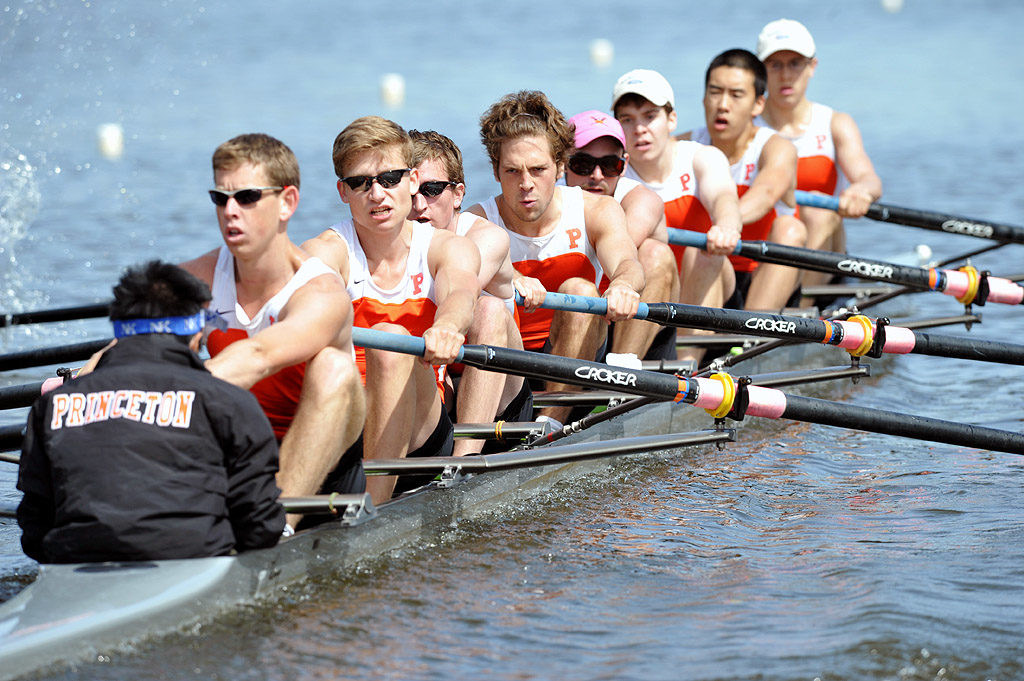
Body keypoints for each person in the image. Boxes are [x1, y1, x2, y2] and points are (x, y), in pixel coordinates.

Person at [17, 261, 285, 563]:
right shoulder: (231, 403)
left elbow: (33, 529)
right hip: (193, 562)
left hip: (74, 562)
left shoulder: (51, 406)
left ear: (117, 332)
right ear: (196, 335)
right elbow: (261, 528)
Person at [180, 133, 365, 530]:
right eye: (220, 198)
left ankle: (275, 529)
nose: (231, 211)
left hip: (326, 464)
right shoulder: (194, 280)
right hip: (245, 450)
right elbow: (132, 345)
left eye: (246, 197)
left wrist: (158, 387)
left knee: (334, 366)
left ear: (287, 202)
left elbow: (258, 356)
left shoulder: (322, 293)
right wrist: (91, 381)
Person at [302, 116, 480, 502]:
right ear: (342, 192)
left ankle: (373, 505)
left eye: (389, 178)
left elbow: (460, 295)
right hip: (349, 418)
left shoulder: (445, 248)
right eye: (360, 183)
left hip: (421, 426)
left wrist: (447, 326)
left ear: (412, 180)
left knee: (392, 339)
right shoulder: (326, 252)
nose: (377, 194)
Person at [468, 90, 645, 425]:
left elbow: (628, 264)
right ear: (495, 171)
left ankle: (548, 425)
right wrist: (511, 277)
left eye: (538, 169)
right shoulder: (477, 221)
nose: (526, 184)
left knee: (580, 289)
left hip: (581, 359)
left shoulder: (595, 210)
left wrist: (622, 285)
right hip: (510, 365)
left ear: (560, 166)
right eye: (512, 171)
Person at [408, 129, 532, 457]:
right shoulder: (390, 242)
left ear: (458, 194)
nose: (419, 204)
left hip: (503, 394)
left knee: (487, 309)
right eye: (409, 192)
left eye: (432, 190)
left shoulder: (486, 238)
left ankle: (464, 461)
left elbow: (451, 297)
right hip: (439, 381)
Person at [611, 69, 741, 360]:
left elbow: (724, 198)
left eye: (649, 116)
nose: (639, 129)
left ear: (672, 120)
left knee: (704, 252)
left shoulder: (701, 157)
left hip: (710, 291)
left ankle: (686, 368)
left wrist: (727, 227)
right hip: (650, 294)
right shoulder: (610, 172)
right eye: (627, 120)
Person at [755, 18, 883, 297]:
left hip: (823, 251)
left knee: (819, 213)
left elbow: (869, 179)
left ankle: (800, 312)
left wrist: (860, 191)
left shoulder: (835, 123)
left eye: (795, 64)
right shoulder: (747, 128)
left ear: (812, 67)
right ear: (760, 71)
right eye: (775, 65)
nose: (786, 76)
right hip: (766, 251)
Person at [677, 48, 808, 311]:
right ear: (703, 98)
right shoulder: (681, 146)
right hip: (704, 269)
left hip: (761, 274)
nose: (723, 104)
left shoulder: (776, 148)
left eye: (736, 95)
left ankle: (751, 338)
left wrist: (727, 222)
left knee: (791, 230)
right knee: (701, 254)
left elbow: (766, 193)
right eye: (715, 92)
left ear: (758, 104)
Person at [563, 110, 679, 361]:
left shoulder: (641, 199)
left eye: (609, 165)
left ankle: (622, 376)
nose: (596, 175)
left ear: (624, 164)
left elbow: (618, 256)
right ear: (563, 162)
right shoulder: (542, 198)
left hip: (634, 323)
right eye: (582, 164)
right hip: (578, 321)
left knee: (653, 253)